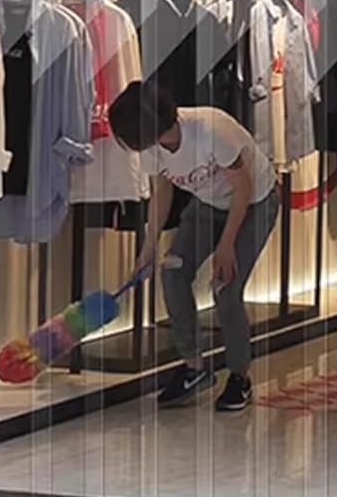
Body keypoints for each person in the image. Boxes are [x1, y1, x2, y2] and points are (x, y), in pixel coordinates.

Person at [109, 79, 278, 412]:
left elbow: (243, 188)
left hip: (255, 202)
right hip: (208, 205)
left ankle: (240, 377)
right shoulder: (152, 148)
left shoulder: (211, 130)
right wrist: (149, 246)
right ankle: (194, 367)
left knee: (225, 288)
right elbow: (162, 193)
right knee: (172, 272)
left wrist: (227, 245)